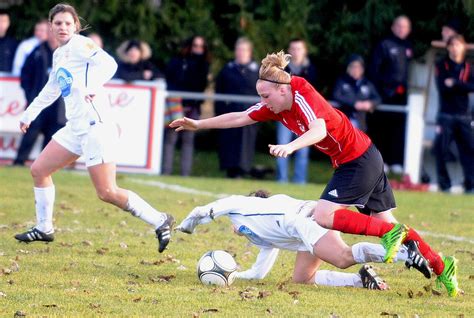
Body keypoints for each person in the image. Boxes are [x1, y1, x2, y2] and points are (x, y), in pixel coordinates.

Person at [170, 51, 460, 297]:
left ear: (282, 89)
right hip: (364, 156)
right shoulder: (276, 104)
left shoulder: (301, 93)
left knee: (324, 215)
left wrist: (291, 146)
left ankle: (390, 235)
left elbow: (318, 129)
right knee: (388, 221)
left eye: (265, 95)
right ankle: (440, 265)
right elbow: (240, 116)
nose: (263, 100)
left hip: (356, 160)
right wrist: (199, 124)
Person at [13, 3, 174, 254]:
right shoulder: (59, 53)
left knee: (107, 192)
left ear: (76, 25)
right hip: (75, 128)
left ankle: (160, 220)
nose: (63, 27)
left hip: (95, 127)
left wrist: (93, 86)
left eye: (67, 23)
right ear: (51, 26)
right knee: (39, 170)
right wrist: (29, 114)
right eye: (58, 23)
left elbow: (109, 64)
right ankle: (44, 228)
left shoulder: (80, 44)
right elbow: (52, 88)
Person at [177, 191, 432, 289]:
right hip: (303, 231)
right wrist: (232, 275)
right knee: (303, 279)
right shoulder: (259, 236)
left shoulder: (240, 205)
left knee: (342, 257)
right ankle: (361, 280)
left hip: (306, 221)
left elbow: (203, 211)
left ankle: (406, 254)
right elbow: (258, 273)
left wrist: (186, 226)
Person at [12, 27, 66, 166]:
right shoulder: (36, 52)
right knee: (30, 134)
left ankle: (44, 165)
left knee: (52, 137)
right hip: (39, 102)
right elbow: (25, 75)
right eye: (50, 33)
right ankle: (19, 161)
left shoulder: (66, 53)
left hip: (58, 106)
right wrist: (30, 96)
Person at [368, 15, 413, 174]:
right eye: (399, 26)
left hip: (401, 97)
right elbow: (374, 70)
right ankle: (382, 162)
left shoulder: (408, 47)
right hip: (385, 95)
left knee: (398, 129)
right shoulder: (384, 45)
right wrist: (380, 91)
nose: (402, 29)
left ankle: (395, 161)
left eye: (405, 26)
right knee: (382, 129)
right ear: (393, 27)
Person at [162, 35, 210, 176]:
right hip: (176, 104)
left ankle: (185, 174)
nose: (198, 49)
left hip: (193, 106)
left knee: (188, 141)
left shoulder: (204, 65)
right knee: (171, 138)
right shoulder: (178, 62)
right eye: (195, 46)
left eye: (201, 47)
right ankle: (166, 171)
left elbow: (201, 86)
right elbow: (171, 80)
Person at [434, 35, 474, 194]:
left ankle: (470, 184)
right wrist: (461, 86)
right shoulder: (441, 65)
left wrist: (456, 84)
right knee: (441, 150)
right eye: (452, 45)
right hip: (445, 115)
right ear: (448, 47)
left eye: (458, 45)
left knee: (469, 150)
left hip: (464, 116)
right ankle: (445, 185)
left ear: (463, 47)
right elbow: (443, 87)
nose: (455, 48)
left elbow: (472, 86)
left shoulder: (469, 67)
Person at [214, 37, 259, 178]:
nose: (241, 53)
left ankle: (243, 169)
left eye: (244, 50)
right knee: (229, 143)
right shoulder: (227, 70)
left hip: (250, 115)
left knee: (245, 144)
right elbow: (219, 91)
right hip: (230, 112)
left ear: (249, 52)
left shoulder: (257, 71)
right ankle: (230, 170)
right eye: (238, 50)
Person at [276, 39, 316, 184]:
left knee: (303, 150)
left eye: (299, 49)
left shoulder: (311, 70)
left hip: (305, 116)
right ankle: (281, 179)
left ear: (304, 51)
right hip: (286, 114)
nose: (295, 52)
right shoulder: (281, 70)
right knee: (282, 146)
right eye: (293, 48)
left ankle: (300, 180)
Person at [332, 54, 381, 132]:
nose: (356, 69)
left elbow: (377, 98)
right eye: (353, 66)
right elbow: (336, 95)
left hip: (361, 123)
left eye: (358, 67)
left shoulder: (367, 83)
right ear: (348, 68)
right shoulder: (341, 81)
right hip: (343, 122)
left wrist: (370, 104)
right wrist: (354, 103)